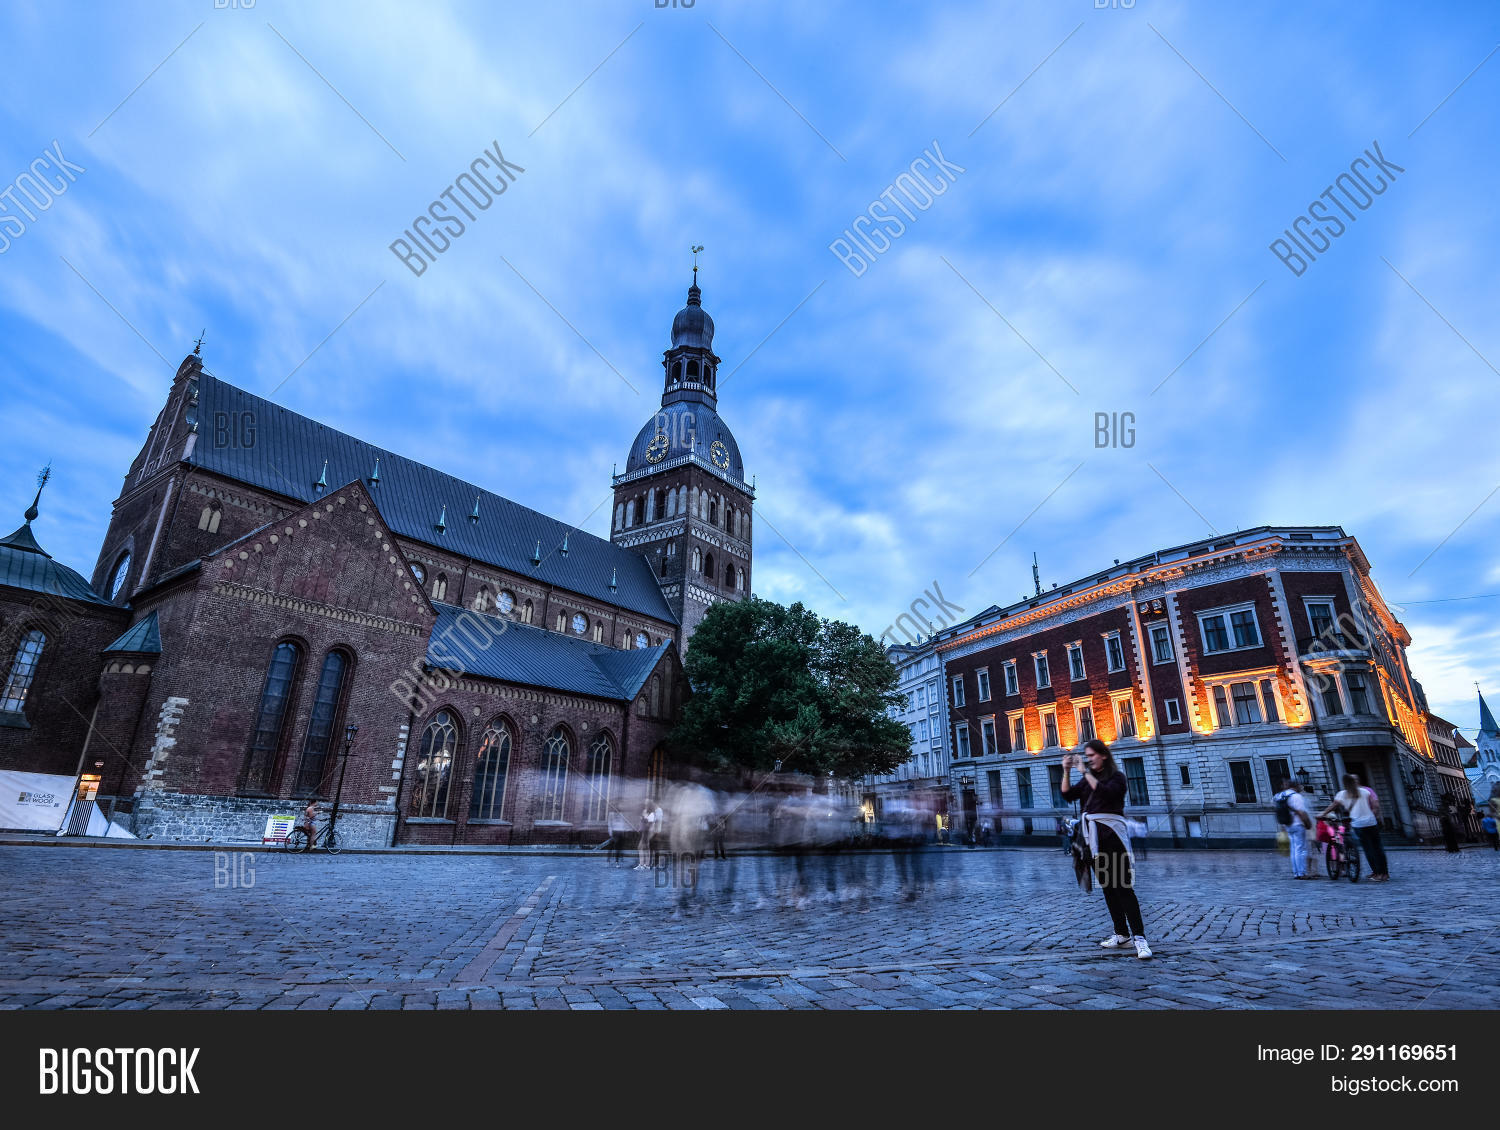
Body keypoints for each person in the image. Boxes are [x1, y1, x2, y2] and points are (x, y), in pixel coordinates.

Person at [1060, 739, 1152, 959]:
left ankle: (1140, 938)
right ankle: (1121, 934)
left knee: (1123, 887)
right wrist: (1065, 771)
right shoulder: (1086, 780)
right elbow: (1067, 795)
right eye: (1087, 756)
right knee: (1108, 888)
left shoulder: (1117, 778)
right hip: (1093, 841)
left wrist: (1084, 771)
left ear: (1103, 755)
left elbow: (1106, 793)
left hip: (1113, 838)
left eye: (1091, 755)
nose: (1089, 759)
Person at [1320, 774, 1389, 881]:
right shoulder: (1366, 791)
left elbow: (1333, 806)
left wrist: (1322, 814)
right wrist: (1373, 817)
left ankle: (1377, 873)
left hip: (1359, 824)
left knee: (1369, 849)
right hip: (1371, 823)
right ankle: (1384, 874)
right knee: (1378, 848)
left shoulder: (1342, 794)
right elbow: (1376, 806)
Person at [1272, 778, 1314, 879]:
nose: (1301, 787)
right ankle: (1302, 873)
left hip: (1287, 824)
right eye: (1299, 786)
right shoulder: (1296, 796)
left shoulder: (1278, 796)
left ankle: (1296, 872)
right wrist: (1308, 823)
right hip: (1298, 824)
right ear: (1295, 786)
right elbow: (1301, 812)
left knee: (1294, 849)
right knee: (1301, 849)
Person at [634, 798, 661, 870]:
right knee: (644, 848)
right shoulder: (645, 811)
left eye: (646, 802)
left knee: (642, 847)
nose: (644, 803)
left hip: (648, 832)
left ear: (649, 804)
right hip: (644, 831)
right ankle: (644, 865)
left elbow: (650, 824)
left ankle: (644, 865)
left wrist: (644, 819)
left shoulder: (652, 813)